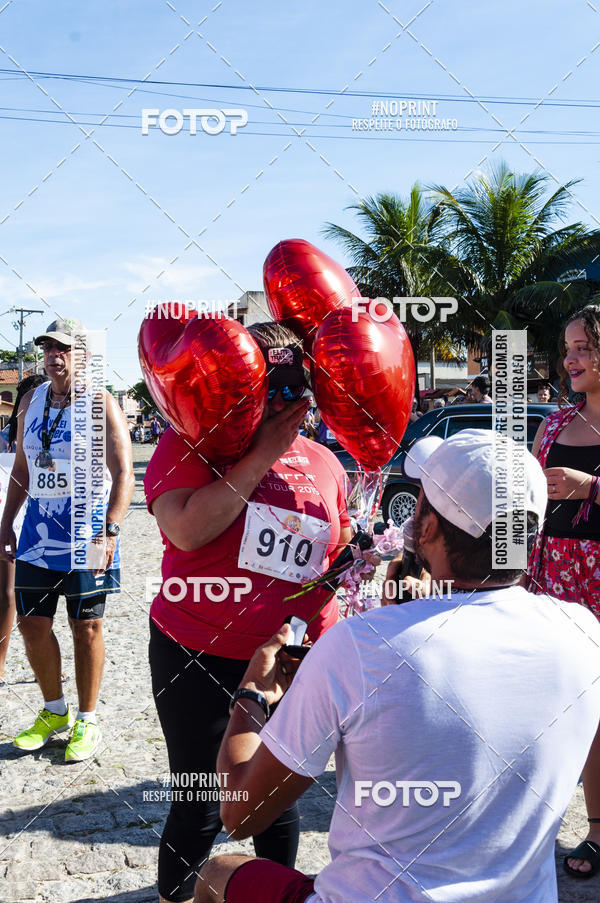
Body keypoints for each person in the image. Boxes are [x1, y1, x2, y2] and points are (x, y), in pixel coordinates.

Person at [194, 429, 600, 903]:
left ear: (425, 527)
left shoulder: (360, 646)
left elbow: (241, 814)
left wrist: (251, 695)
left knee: (215, 872)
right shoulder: (582, 631)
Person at [145, 322, 352, 903]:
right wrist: (262, 454)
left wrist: (351, 562)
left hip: (285, 661)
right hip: (197, 649)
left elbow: (331, 549)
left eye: (297, 389)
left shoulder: (324, 462)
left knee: (273, 799)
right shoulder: (191, 443)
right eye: (273, 390)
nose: (288, 404)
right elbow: (187, 530)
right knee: (199, 798)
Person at [0, 317, 135, 762]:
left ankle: (87, 719)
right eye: (48, 349)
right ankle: (53, 711)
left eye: (64, 350)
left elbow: (124, 474)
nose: (54, 357)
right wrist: (6, 526)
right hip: (39, 534)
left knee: (87, 627)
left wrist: (111, 529)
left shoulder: (102, 402)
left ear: (83, 356)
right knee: (32, 623)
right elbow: (21, 472)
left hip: (89, 532)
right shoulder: (32, 401)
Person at [528, 303, 600, 879]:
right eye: (568, 348)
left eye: (584, 348)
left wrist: (591, 486)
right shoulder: (553, 424)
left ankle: (597, 831)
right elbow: (527, 500)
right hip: (553, 580)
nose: (570, 359)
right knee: (564, 706)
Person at [0, 374, 48, 685]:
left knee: (37, 605)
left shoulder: (43, 435)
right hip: (11, 519)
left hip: (37, 523)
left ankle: (45, 668)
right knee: (7, 594)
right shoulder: (7, 438)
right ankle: (1, 665)